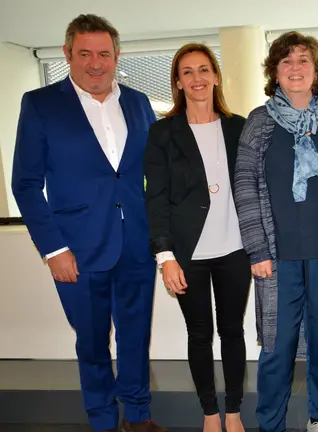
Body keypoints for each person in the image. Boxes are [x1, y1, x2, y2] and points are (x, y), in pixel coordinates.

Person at [11, 14, 165, 432]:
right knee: (93, 342)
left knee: (136, 336)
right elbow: (26, 184)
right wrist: (53, 249)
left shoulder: (138, 102)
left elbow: (155, 171)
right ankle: (102, 421)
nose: (95, 64)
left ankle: (138, 416)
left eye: (103, 54)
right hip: (76, 250)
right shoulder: (40, 104)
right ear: (67, 54)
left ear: (117, 55)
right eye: (84, 54)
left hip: (136, 243)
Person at [233, 31, 318, 432]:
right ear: (274, 72)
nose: (295, 68)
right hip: (278, 255)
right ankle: (270, 423)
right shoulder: (259, 122)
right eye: (286, 61)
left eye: (303, 60)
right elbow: (244, 185)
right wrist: (256, 249)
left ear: (316, 70)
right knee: (277, 346)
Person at [144, 43, 250, 432]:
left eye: (204, 69)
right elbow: (155, 198)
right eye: (187, 72)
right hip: (188, 253)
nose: (197, 78)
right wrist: (165, 256)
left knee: (233, 331)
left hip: (235, 249)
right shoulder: (163, 133)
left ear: (216, 76)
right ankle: (210, 413)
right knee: (200, 334)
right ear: (177, 82)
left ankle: (234, 411)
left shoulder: (239, 127)